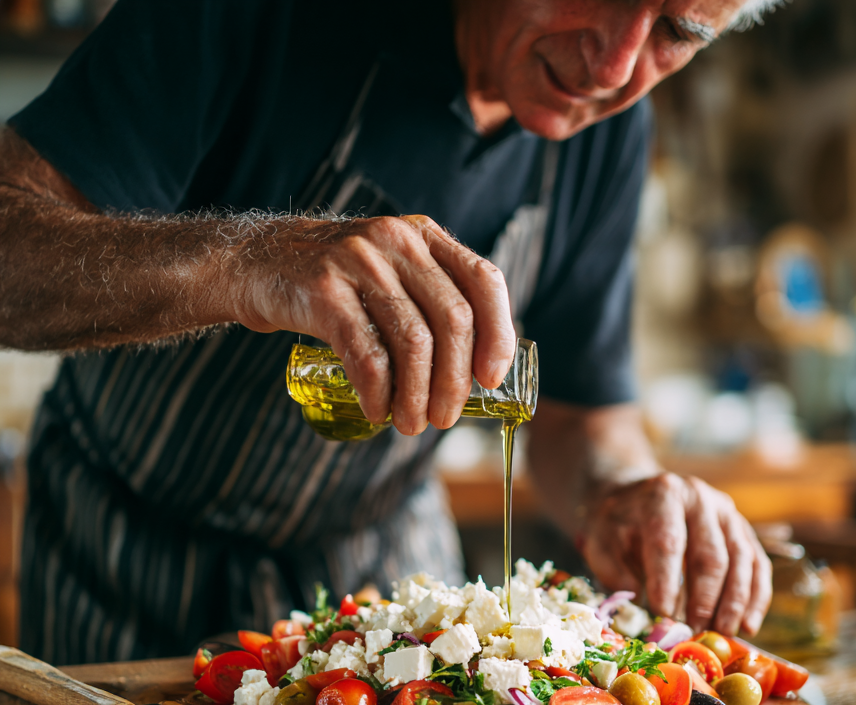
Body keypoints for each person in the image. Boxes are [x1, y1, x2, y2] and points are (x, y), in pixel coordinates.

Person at [0, 0, 774, 664]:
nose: (612, 67)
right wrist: (248, 261)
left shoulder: (610, 138)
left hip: (378, 577)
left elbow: (581, 417)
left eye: (676, 30)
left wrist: (618, 492)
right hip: (119, 560)